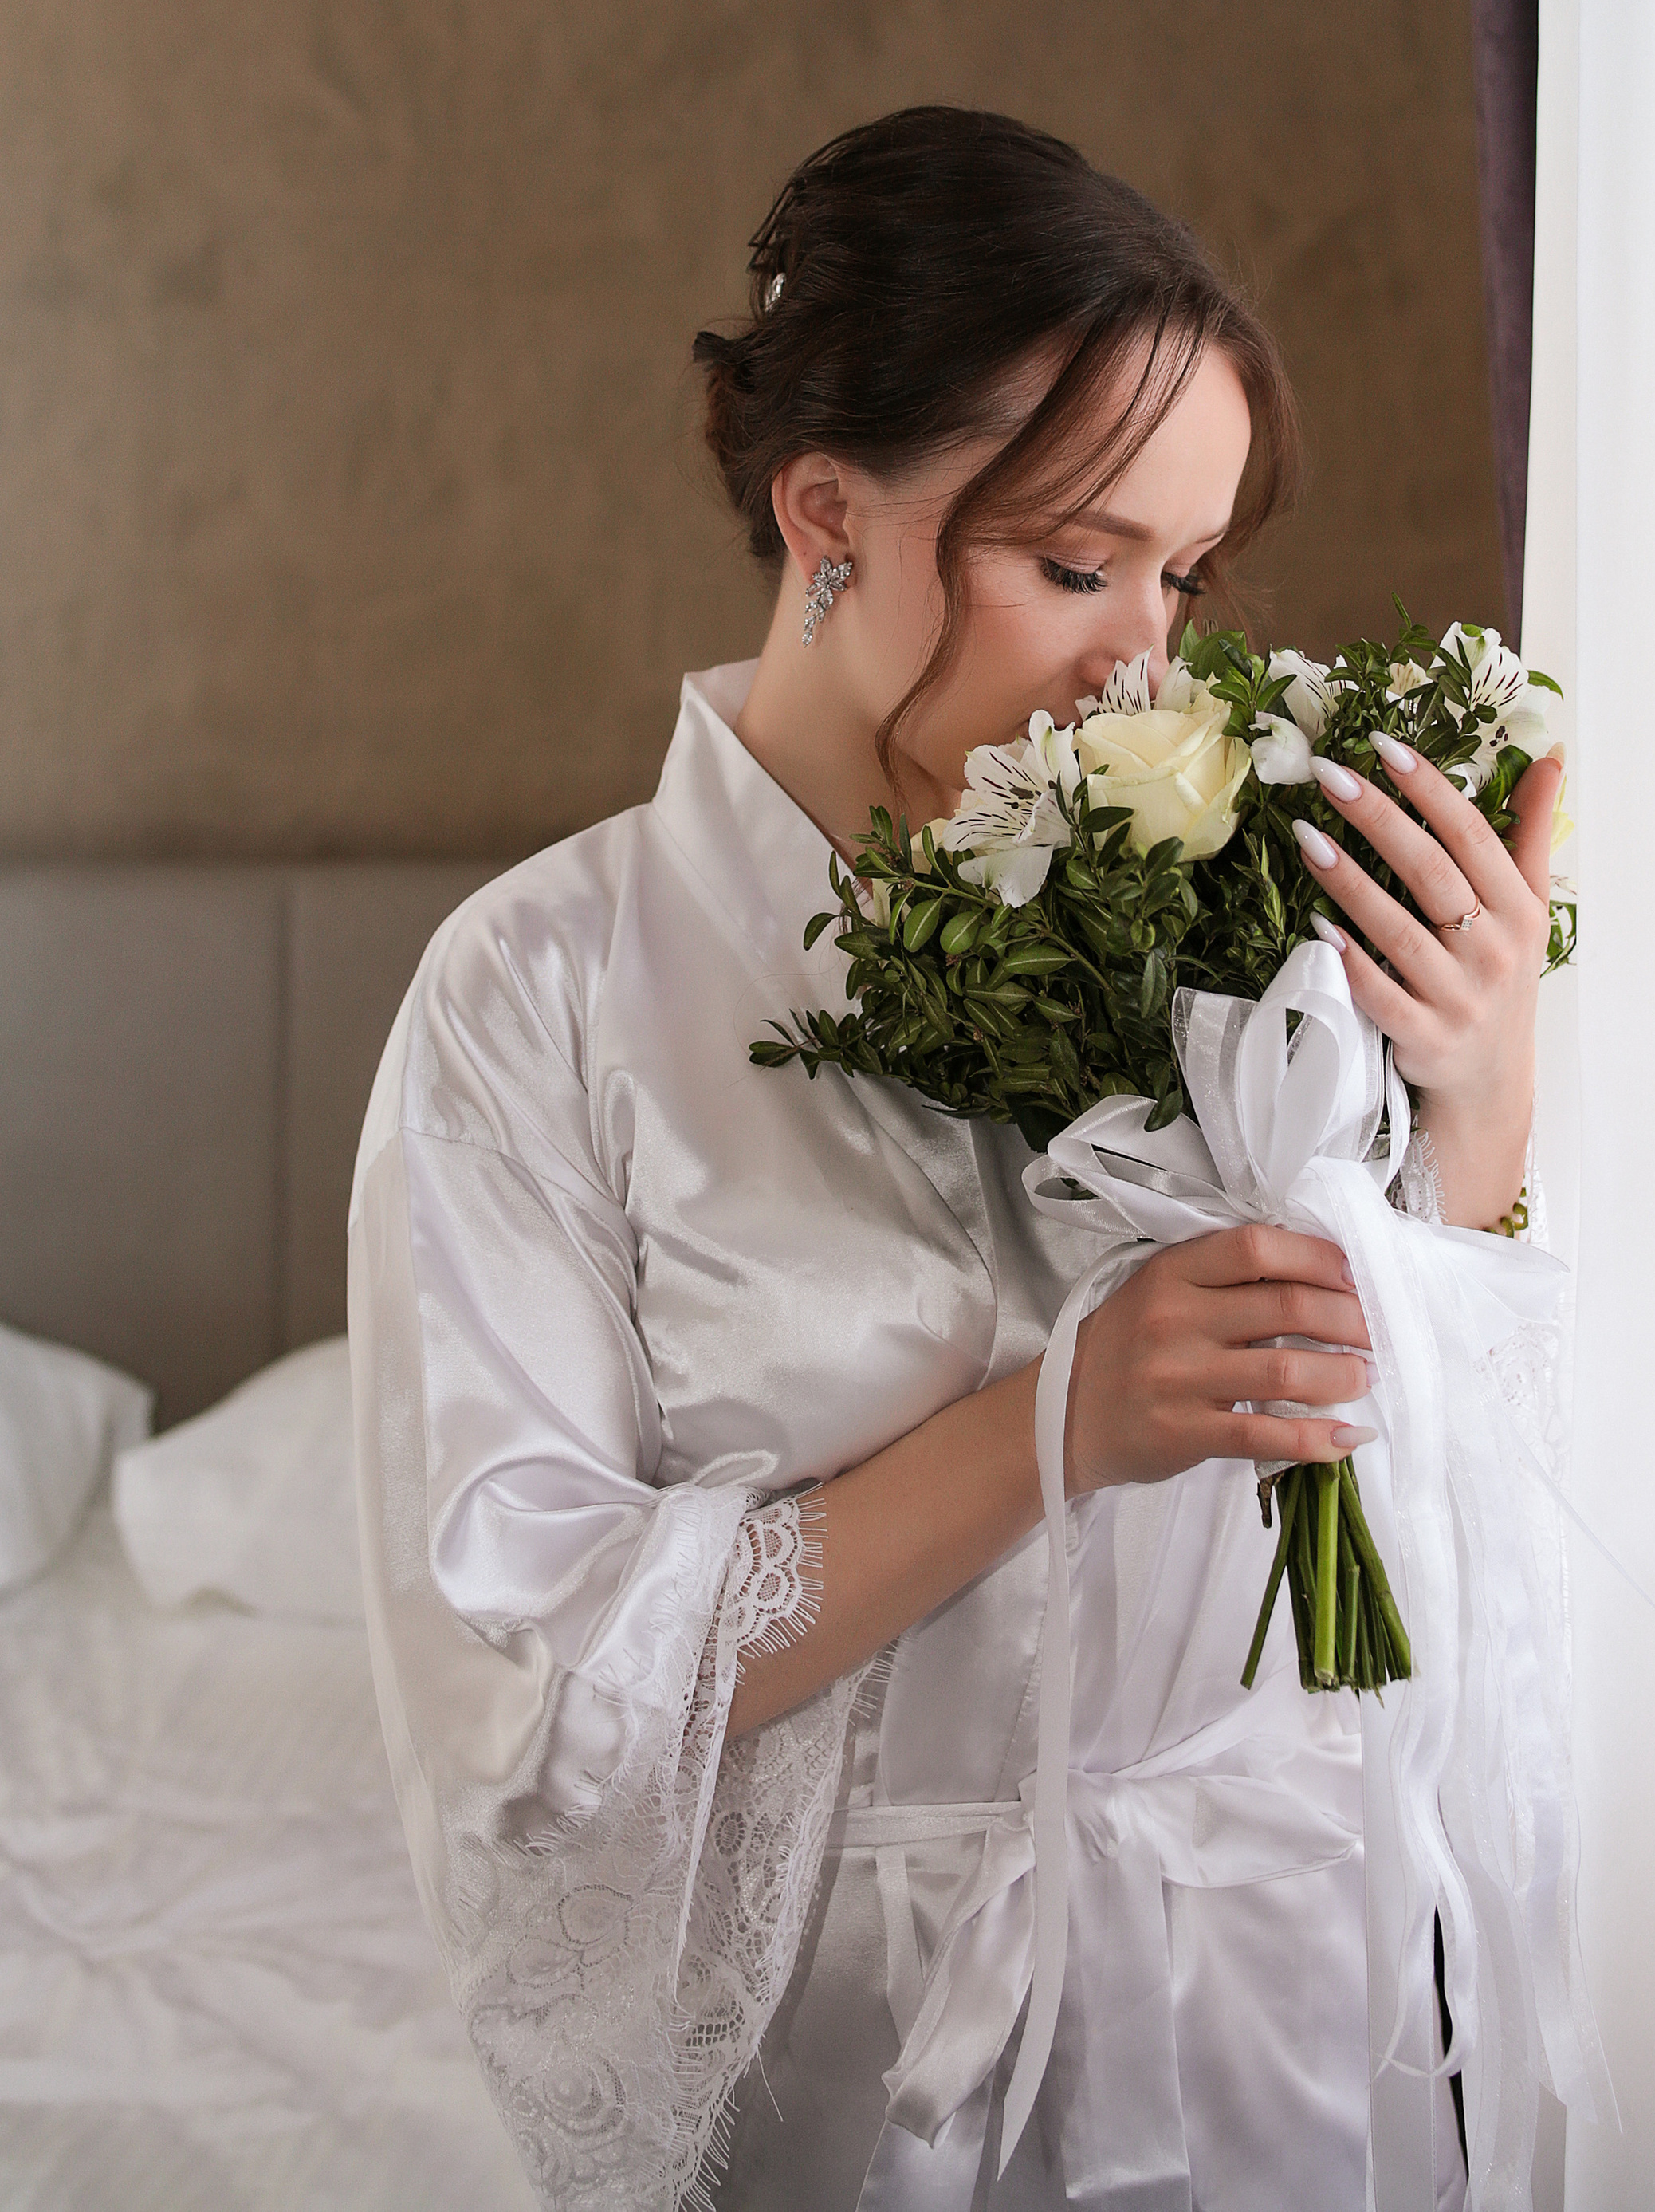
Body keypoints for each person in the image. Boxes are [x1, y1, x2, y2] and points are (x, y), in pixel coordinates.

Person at [348, 106, 1563, 2212]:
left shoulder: (1222, 931)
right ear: (829, 515)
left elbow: (1430, 1505)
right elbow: (535, 1689)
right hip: (855, 2094)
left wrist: (1478, 1107)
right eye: (1078, 563)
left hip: (1259, 2042)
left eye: (1179, 575)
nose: (1145, 662)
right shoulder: (536, 994)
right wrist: (1046, 1425)